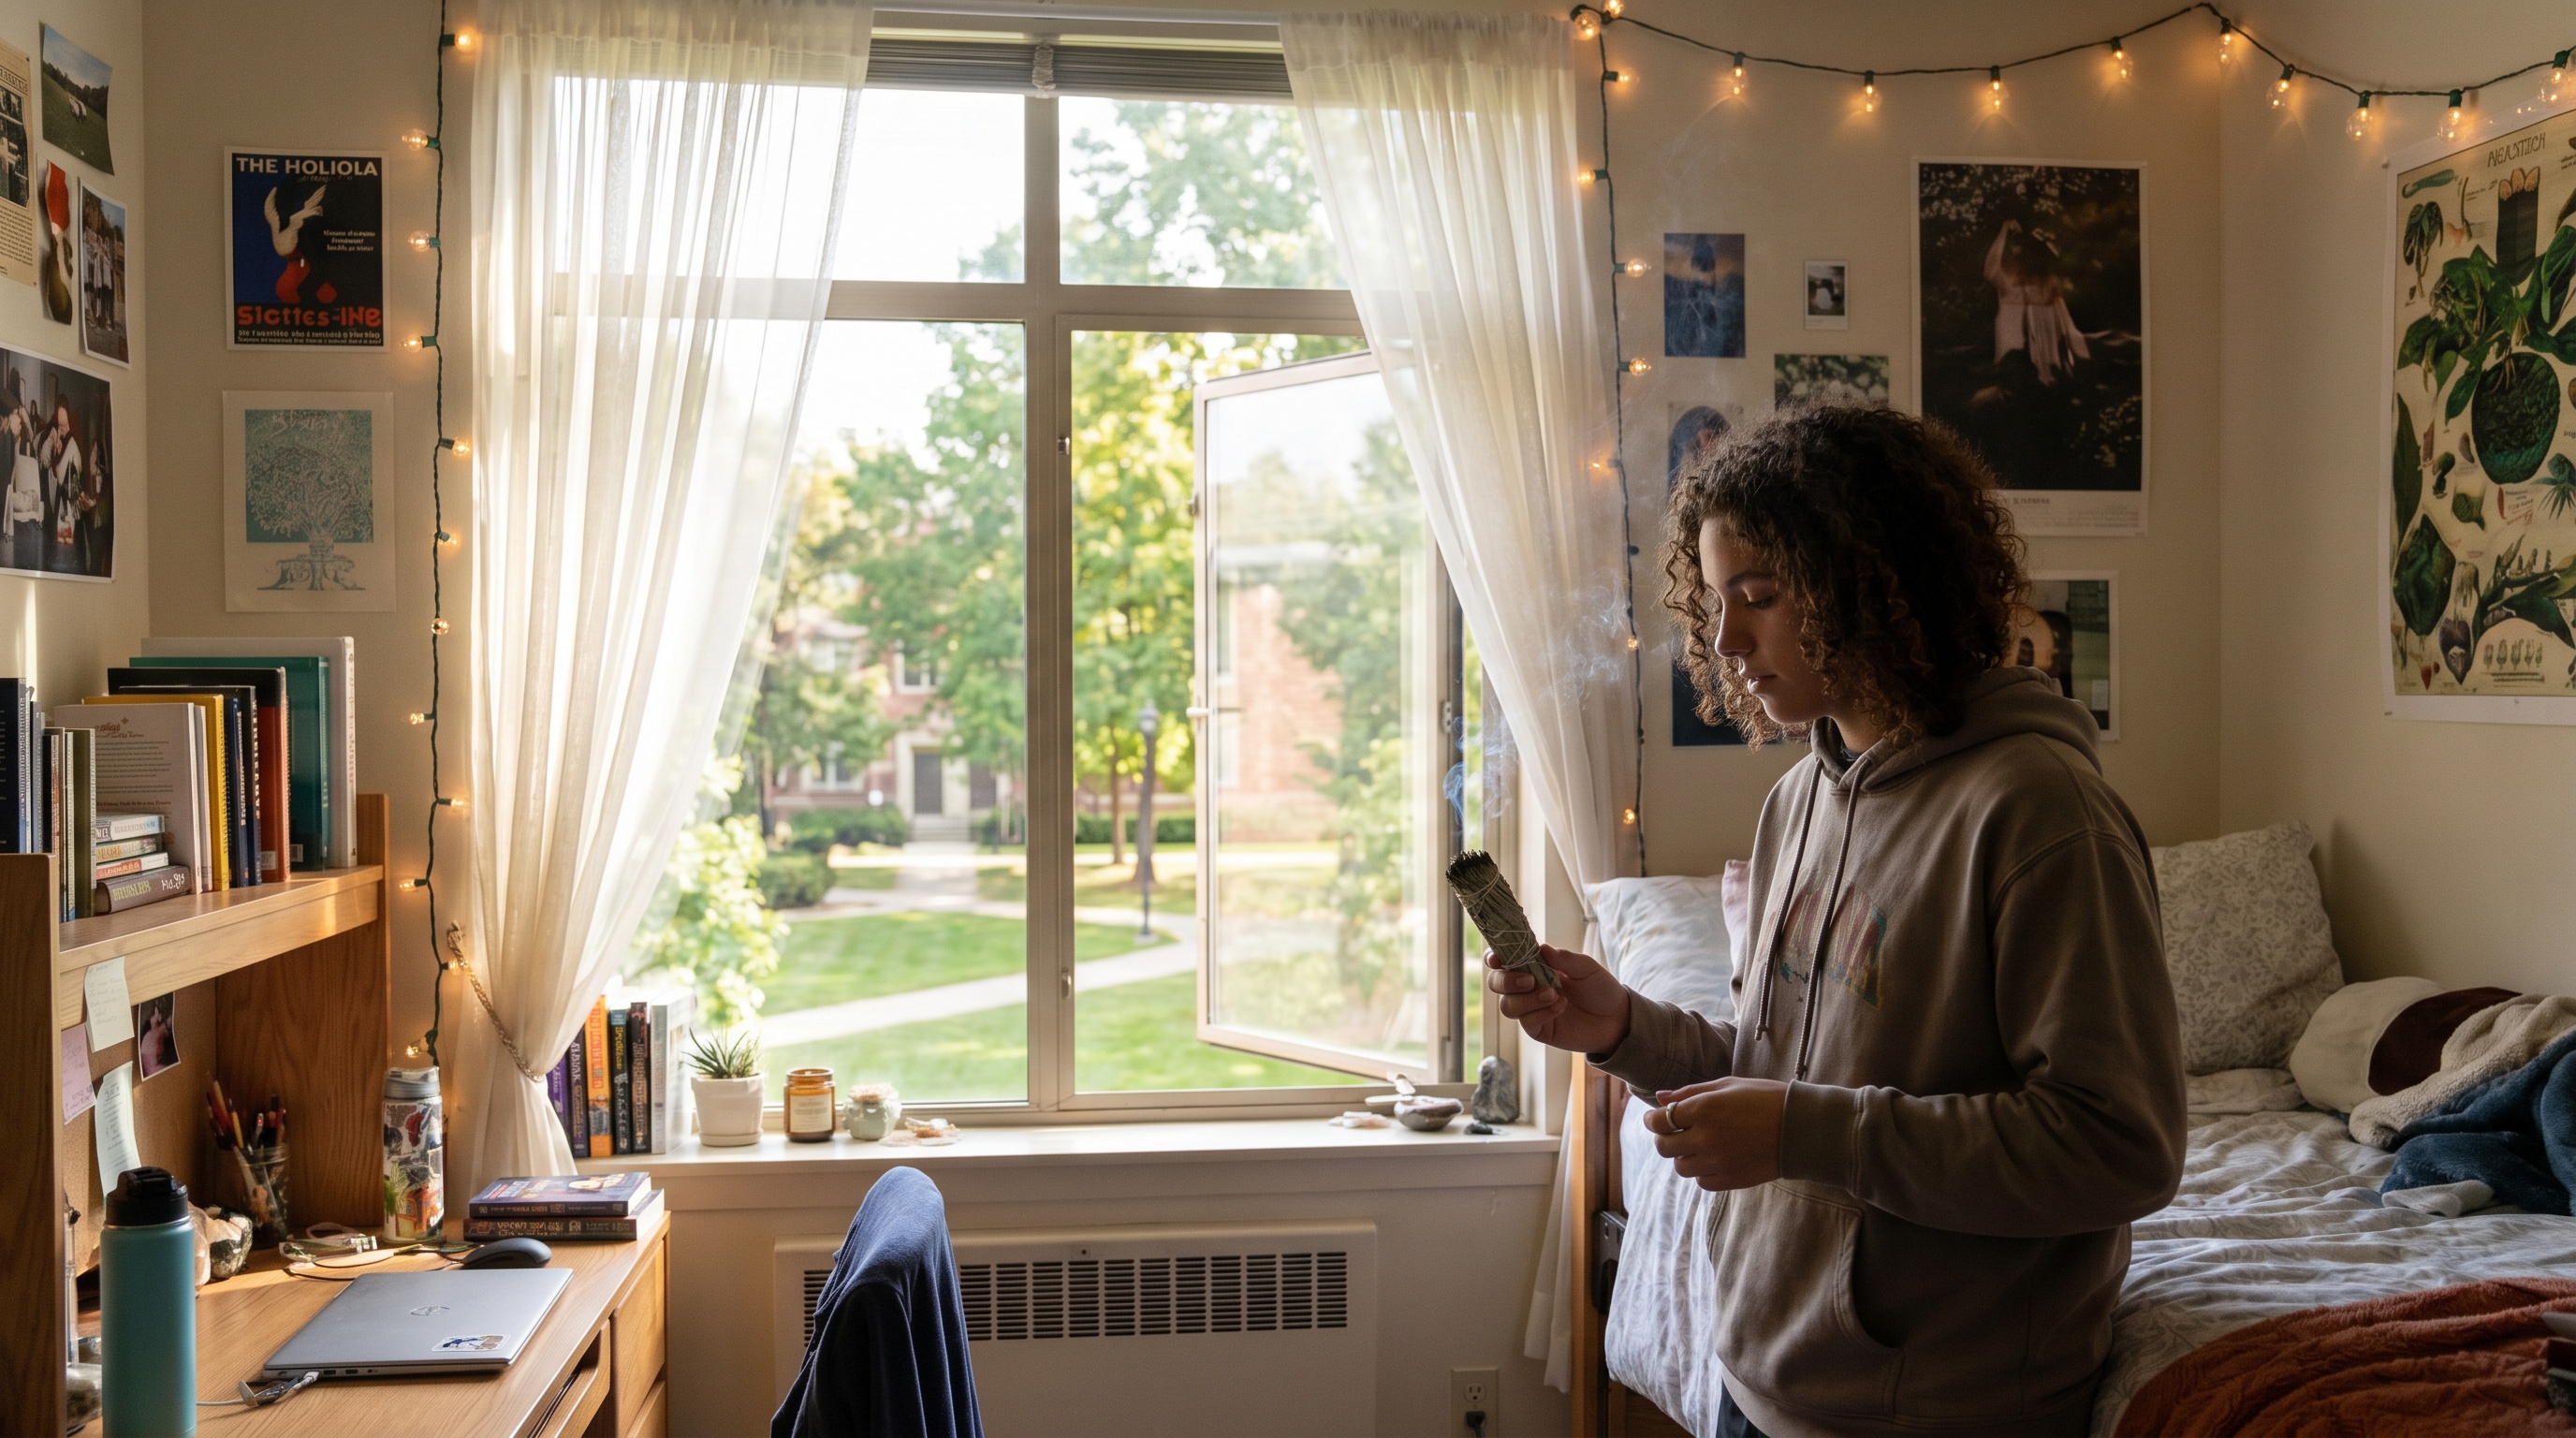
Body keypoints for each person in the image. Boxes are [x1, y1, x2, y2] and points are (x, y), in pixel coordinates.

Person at [1490, 405, 2184, 1438]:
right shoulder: (1796, 804)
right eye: (1717, 602)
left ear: (1872, 583)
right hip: (1759, 1371)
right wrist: (1624, 1029)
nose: (1728, 640)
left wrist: (1803, 1132)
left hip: (1940, 1408)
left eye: (1759, 598)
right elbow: (1781, 1068)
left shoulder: (2041, 812)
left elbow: (2118, 1146)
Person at [1983, 217, 2091, 384]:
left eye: (2043, 258)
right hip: (2016, 373)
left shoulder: (2050, 294)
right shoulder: (2013, 290)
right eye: (2034, 256)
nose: (2038, 262)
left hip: (2049, 376)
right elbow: (1991, 270)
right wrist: (2004, 231)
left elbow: (2070, 331)